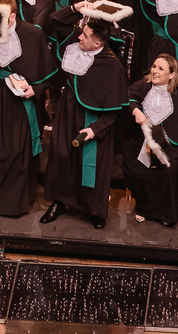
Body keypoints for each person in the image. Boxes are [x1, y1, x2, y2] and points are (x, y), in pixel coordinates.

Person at [40, 18, 128, 229]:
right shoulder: (75, 49)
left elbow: (114, 109)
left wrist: (95, 129)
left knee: (93, 165)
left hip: (94, 119)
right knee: (62, 156)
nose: (79, 37)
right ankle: (60, 202)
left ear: (98, 44)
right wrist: (75, 11)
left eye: (86, 36)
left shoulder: (112, 65)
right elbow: (58, 23)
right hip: (68, 112)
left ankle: (94, 209)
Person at [0, 0, 56, 216]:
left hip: (20, 101)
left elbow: (47, 73)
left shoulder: (32, 34)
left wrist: (35, 90)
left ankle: (14, 204)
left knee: (17, 150)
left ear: (12, 16)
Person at [122, 54, 178, 226]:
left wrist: (156, 144)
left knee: (168, 169)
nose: (155, 71)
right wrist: (136, 111)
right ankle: (142, 208)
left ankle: (166, 213)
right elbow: (127, 98)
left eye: (161, 68)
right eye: (154, 66)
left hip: (167, 144)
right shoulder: (142, 86)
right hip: (139, 139)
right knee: (136, 168)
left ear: (171, 74)